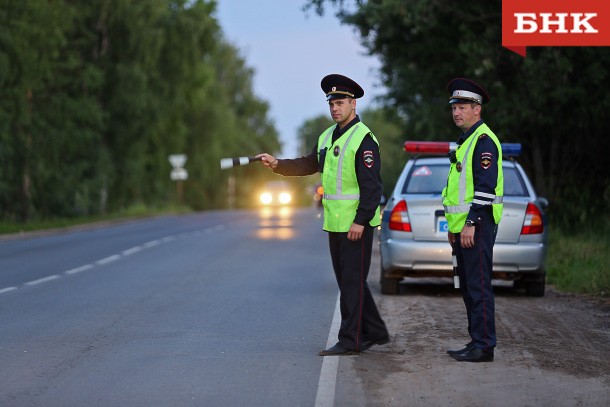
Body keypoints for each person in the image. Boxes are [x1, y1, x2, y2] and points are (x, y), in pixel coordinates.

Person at [257, 74, 389, 356]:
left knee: (352, 283)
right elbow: (309, 164)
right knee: (348, 281)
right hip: (336, 223)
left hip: (356, 225)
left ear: (353, 104)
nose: (335, 108)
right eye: (332, 103)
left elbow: (372, 187)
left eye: (340, 103)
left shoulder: (364, 139)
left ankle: (350, 340)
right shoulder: (328, 136)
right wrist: (278, 163)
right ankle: (374, 331)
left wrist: (361, 220)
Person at [442, 78, 504, 362]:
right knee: (468, 287)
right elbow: (457, 191)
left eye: (463, 106)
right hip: (464, 228)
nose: (457, 112)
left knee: (479, 287)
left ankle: (484, 346)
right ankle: (476, 340)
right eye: (454, 106)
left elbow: (485, 188)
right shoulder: (465, 141)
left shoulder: (483, 141)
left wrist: (471, 223)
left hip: (477, 226)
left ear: (477, 109)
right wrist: (455, 227)